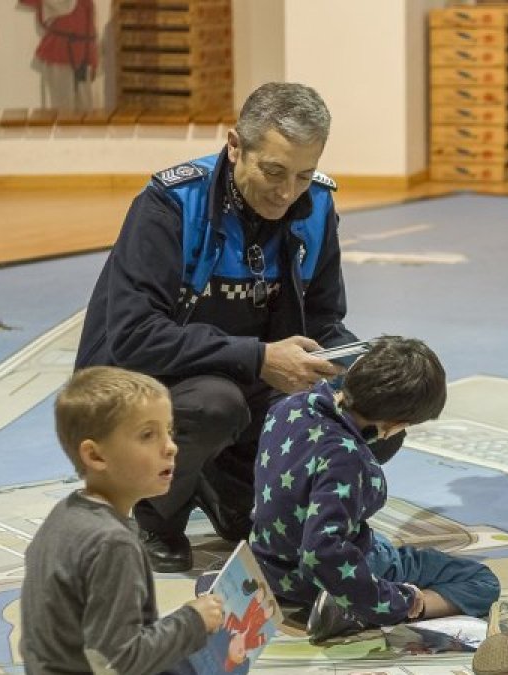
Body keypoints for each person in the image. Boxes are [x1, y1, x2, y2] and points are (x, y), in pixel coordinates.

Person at [76, 82, 362, 573]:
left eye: (303, 174)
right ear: (235, 146)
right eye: (273, 171)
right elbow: (133, 336)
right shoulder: (169, 206)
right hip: (131, 386)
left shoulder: (315, 207)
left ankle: (228, 486)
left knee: (361, 404)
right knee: (215, 404)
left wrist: (360, 369)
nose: (287, 191)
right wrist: (259, 358)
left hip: (242, 382)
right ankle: (151, 512)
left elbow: (321, 321)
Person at [249, 336, 501, 643]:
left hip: (269, 562)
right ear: (394, 424)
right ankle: (356, 610)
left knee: (372, 538)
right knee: (481, 582)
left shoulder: (289, 405)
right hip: (316, 577)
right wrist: (396, 602)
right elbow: (320, 551)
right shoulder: (347, 458)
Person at [21, 366, 224, 674]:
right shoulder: (112, 544)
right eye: (147, 435)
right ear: (96, 456)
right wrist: (193, 621)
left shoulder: (64, 514)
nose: (170, 447)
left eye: (169, 431)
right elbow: (120, 660)